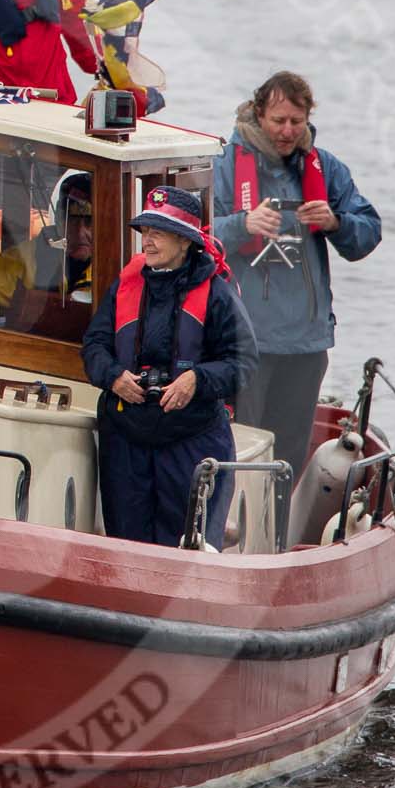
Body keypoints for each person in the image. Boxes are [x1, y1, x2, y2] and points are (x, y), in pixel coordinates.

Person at [208, 71, 381, 519]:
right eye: (279, 120)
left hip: (306, 341)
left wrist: (337, 223)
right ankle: (229, 529)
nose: (287, 131)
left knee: (286, 454)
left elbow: (368, 233)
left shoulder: (326, 169)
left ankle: (274, 537)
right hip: (245, 340)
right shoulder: (224, 166)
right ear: (258, 113)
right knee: (241, 445)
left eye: (296, 121)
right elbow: (193, 237)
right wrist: (240, 225)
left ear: (308, 119)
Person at [82, 186, 255, 547]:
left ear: (184, 241)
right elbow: (94, 345)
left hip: (192, 440)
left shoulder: (217, 295)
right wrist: (114, 377)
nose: (147, 241)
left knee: (189, 546)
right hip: (127, 439)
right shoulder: (125, 287)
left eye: (158, 233)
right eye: (145, 232)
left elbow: (243, 363)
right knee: (129, 548)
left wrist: (197, 379)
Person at [0, 171, 94, 331]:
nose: (80, 233)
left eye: (89, 222)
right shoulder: (25, 258)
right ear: (59, 220)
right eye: (72, 221)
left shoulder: (119, 265)